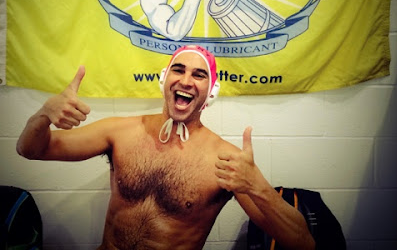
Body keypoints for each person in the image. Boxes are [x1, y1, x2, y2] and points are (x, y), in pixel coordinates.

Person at [16, 45, 315, 250]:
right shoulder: (119, 132)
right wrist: (43, 116)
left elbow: (302, 243)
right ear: (164, 79)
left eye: (198, 75)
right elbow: (30, 149)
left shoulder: (225, 161)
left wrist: (258, 187)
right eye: (178, 70)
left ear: (211, 92)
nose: (186, 80)